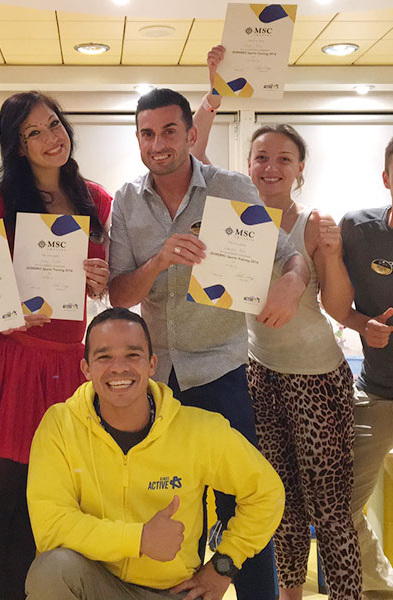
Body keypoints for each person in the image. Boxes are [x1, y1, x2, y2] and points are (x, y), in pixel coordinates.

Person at [108, 87, 308, 600]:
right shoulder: (128, 200)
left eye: (170, 131)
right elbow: (120, 292)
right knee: (169, 511)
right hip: (158, 383)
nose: (159, 144)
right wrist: (159, 261)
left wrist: (289, 283)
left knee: (241, 502)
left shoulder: (232, 187)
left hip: (220, 372)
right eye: (147, 134)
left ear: (191, 133)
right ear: (137, 139)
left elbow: (290, 256)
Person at [192, 47, 361, 600]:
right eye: (261, 157)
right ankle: (289, 594)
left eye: (283, 159)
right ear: (248, 166)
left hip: (317, 377)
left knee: (331, 507)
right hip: (259, 374)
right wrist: (215, 93)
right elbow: (186, 152)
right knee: (277, 500)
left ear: (299, 168)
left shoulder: (315, 223)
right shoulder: (230, 215)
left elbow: (338, 309)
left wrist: (330, 256)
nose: (270, 167)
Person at [0, 91, 112, 600]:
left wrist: (100, 278)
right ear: (18, 147)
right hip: (9, 361)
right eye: (34, 132)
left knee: (52, 501)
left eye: (54, 124)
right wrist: (9, 310)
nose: (51, 137)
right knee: (0, 499)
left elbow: (111, 281)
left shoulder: (96, 199)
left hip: (67, 365)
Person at [25, 307, 285, 600]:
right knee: (52, 571)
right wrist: (139, 539)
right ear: (86, 369)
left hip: (173, 592)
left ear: (152, 364)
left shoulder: (198, 429)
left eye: (133, 355)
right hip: (96, 585)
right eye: (104, 357)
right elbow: (51, 527)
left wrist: (224, 565)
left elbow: (267, 492)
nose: (119, 367)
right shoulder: (60, 425)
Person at [323, 136, 393, 599]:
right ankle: (381, 586)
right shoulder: (359, 228)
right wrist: (362, 325)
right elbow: (337, 304)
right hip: (378, 391)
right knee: (340, 506)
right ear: (388, 178)